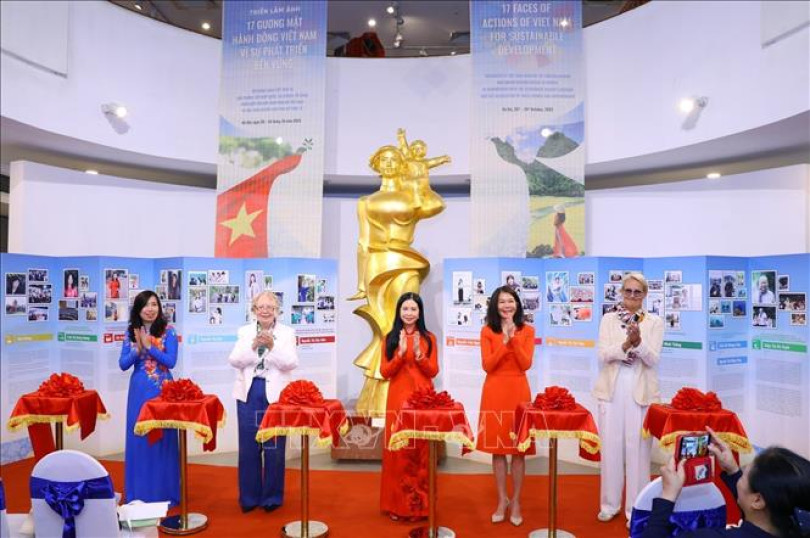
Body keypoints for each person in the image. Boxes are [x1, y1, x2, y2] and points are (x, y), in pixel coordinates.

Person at [348, 140, 445, 416]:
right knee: (385, 327)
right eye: (384, 159)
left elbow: (436, 204)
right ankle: (378, 395)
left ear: (401, 163)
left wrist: (420, 179)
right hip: (378, 265)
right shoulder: (366, 202)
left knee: (405, 316)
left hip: (406, 261)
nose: (389, 163)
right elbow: (363, 242)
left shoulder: (410, 194)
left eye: (394, 159)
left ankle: (408, 387)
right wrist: (360, 283)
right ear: (376, 164)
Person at [643, 427, 810, 538]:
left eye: (744, 473)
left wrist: (668, 495)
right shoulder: (800, 524)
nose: (741, 474)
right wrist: (733, 471)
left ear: (758, 500)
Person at [593, 272, 664, 525]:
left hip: (641, 390)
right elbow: (603, 355)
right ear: (621, 292)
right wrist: (625, 345)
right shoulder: (608, 319)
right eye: (628, 291)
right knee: (611, 448)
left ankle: (636, 509)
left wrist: (639, 342)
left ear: (645, 295)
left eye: (637, 292)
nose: (632, 296)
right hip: (612, 389)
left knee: (638, 452)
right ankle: (609, 504)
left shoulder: (654, 322)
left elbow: (653, 358)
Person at [228, 291, 298, 512]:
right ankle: (249, 498)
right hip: (249, 393)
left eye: (270, 307)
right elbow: (235, 360)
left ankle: (271, 498)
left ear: (277, 310)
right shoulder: (245, 331)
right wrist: (253, 347)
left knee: (274, 448)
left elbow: (290, 363)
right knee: (248, 448)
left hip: (276, 397)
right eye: (261, 307)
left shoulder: (287, 333)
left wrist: (271, 347)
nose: (265, 310)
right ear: (254, 310)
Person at [475, 286, 535, 527]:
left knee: (519, 451)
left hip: (519, 392)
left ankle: (516, 501)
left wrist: (515, 340)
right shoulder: (487, 331)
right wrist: (504, 342)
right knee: (498, 450)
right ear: (495, 305)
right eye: (502, 302)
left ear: (517, 304)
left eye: (510, 301)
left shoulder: (528, 330)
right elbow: (488, 365)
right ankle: (502, 500)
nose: (507, 306)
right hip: (494, 392)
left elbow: (525, 363)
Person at [379, 292, 439, 521]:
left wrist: (420, 356)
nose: (409, 313)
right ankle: (397, 506)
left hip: (423, 401)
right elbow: (385, 372)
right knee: (398, 452)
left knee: (421, 452)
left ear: (420, 312)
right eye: (405, 309)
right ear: (399, 311)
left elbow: (433, 371)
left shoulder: (429, 338)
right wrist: (401, 355)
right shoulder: (390, 338)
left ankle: (421, 508)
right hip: (397, 401)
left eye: (413, 309)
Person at [118, 291, 179, 506]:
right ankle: (140, 493)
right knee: (140, 440)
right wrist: (138, 349)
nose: (150, 309)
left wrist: (150, 347)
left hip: (164, 391)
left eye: (154, 304)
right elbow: (123, 364)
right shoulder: (130, 332)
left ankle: (165, 492)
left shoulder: (169, 331)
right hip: (139, 392)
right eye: (145, 305)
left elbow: (171, 361)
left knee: (163, 441)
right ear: (138, 309)